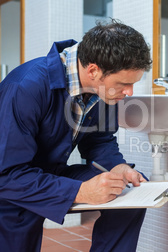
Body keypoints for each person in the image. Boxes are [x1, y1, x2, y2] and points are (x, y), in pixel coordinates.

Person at [0, 19, 152, 251]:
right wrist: (81, 191)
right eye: (123, 83)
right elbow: (7, 174)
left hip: (50, 172)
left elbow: (99, 140)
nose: (129, 92)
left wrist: (116, 167)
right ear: (93, 70)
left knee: (127, 196)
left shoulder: (104, 90)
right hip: (12, 182)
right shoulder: (25, 88)